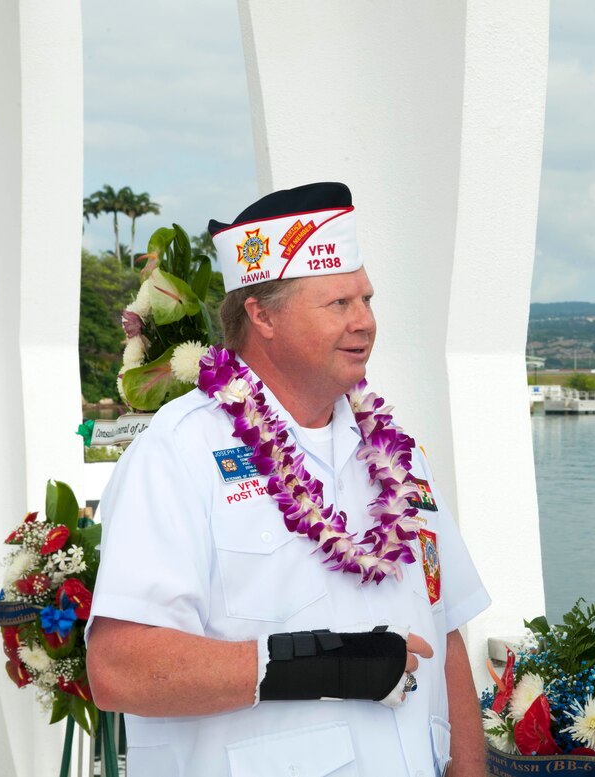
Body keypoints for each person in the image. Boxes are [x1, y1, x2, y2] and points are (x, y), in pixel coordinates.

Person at [87, 182, 491, 777]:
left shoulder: (396, 455)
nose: (365, 323)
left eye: (367, 300)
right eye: (338, 304)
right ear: (262, 315)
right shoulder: (181, 450)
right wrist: (324, 664)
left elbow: (446, 631)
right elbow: (121, 670)